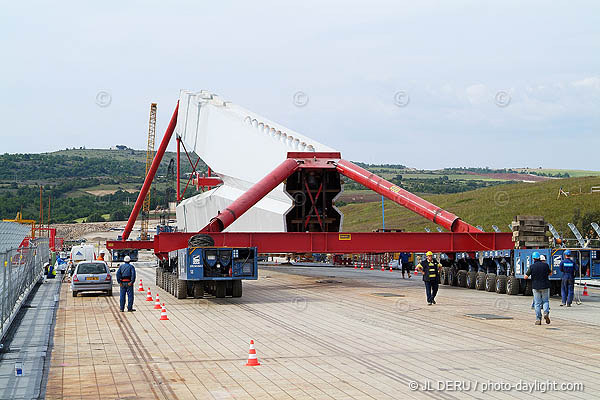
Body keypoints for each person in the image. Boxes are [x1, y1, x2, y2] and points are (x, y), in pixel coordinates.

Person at [524, 252, 551, 325]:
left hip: (535, 286)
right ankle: (546, 312)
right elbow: (550, 273)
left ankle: (538, 319)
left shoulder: (532, 266)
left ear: (533, 259)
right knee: (545, 301)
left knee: (537, 303)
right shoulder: (546, 265)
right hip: (545, 285)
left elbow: (525, 277)